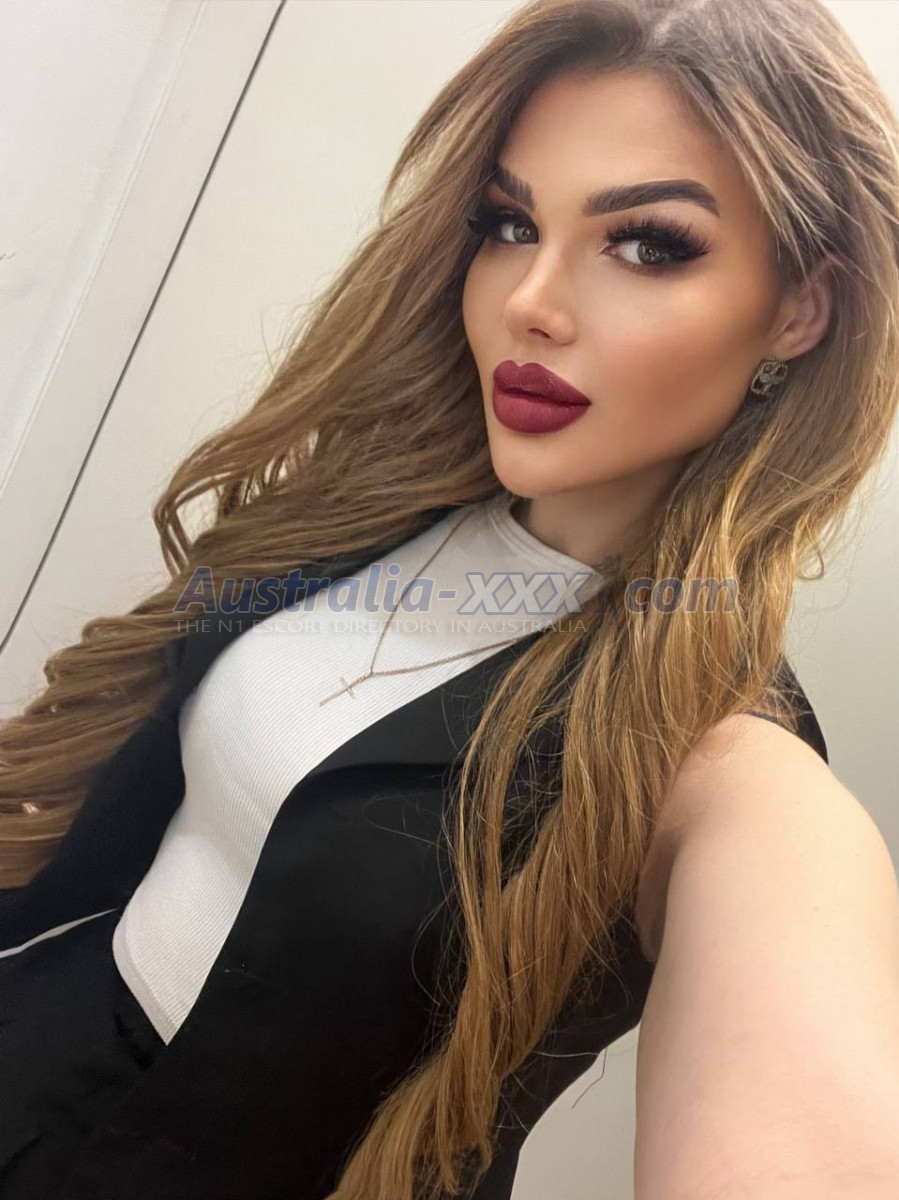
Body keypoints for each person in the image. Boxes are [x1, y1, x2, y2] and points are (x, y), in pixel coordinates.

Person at [2, 0, 898, 1197]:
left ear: (799, 309)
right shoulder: (367, 511)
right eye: (508, 223)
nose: (530, 299)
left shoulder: (724, 771)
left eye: (645, 244)